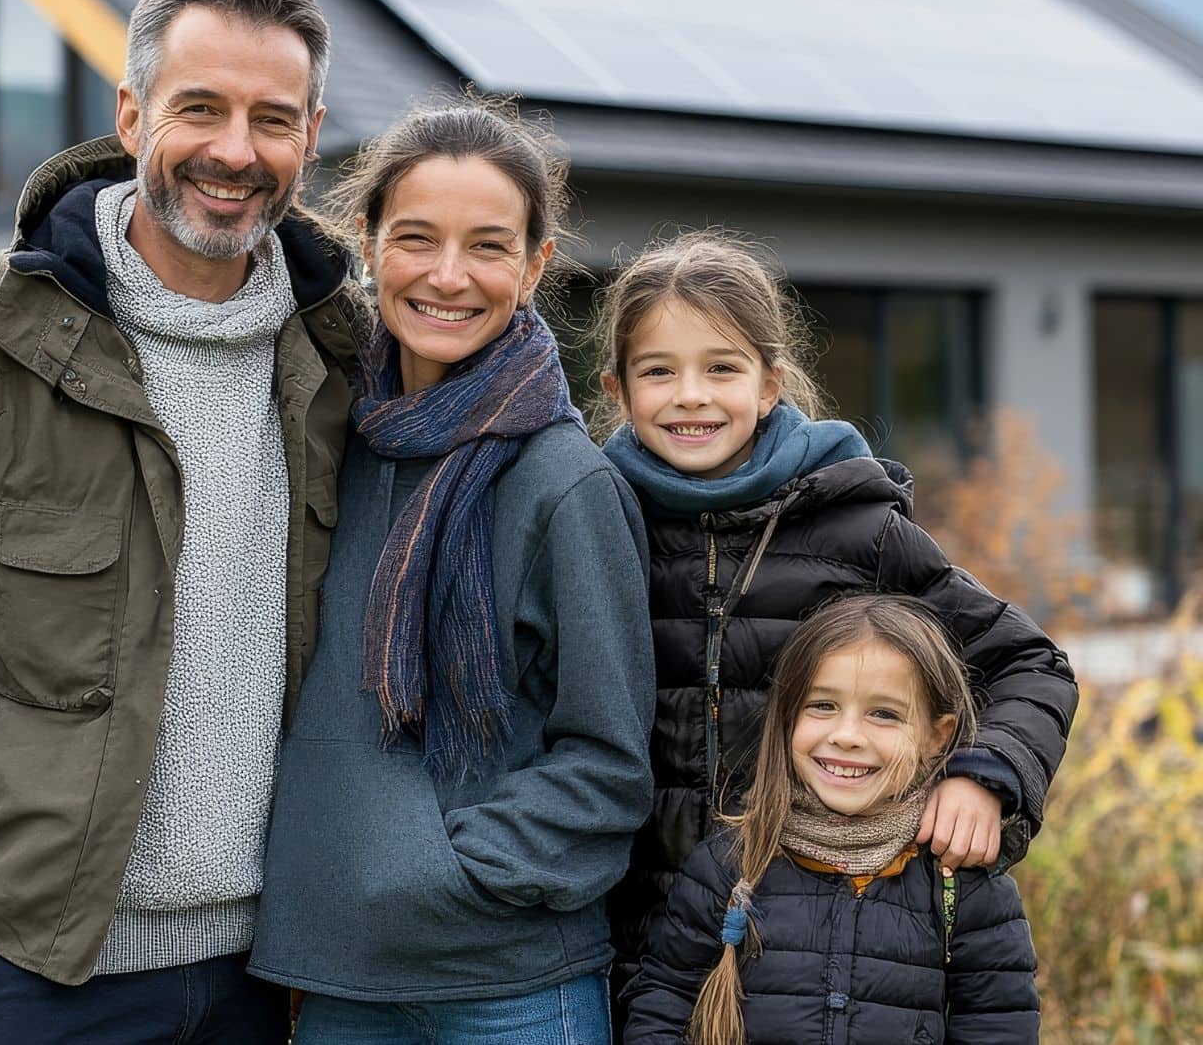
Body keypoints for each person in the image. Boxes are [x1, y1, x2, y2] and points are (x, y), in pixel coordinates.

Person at [0, 0, 362, 1043]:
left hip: (276, 976)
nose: (235, 151)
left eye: (271, 119)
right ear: (133, 111)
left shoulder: (341, 355)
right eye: (200, 107)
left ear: (311, 133)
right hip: (30, 975)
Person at [246, 99, 655, 1041]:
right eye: (417, 238)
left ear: (536, 265)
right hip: (337, 976)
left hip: (507, 979)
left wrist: (443, 869)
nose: (447, 275)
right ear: (369, 240)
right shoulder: (320, 443)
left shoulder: (565, 481)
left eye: (487, 246)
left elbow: (607, 759)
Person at [596, 230, 1078, 992]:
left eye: (721, 367)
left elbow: (1031, 664)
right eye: (660, 371)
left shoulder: (858, 530)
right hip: (631, 955)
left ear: (768, 385)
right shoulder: (597, 522)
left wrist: (984, 776)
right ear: (618, 389)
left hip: (815, 959)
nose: (690, 394)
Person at [623, 595, 1040, 1043]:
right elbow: (662, 1010)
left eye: (884, 714)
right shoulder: (725, 868)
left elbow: (998, 1027)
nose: (846, 736)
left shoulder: (962, 883)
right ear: (786, 717)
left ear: (936, 736)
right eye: (822, 705)